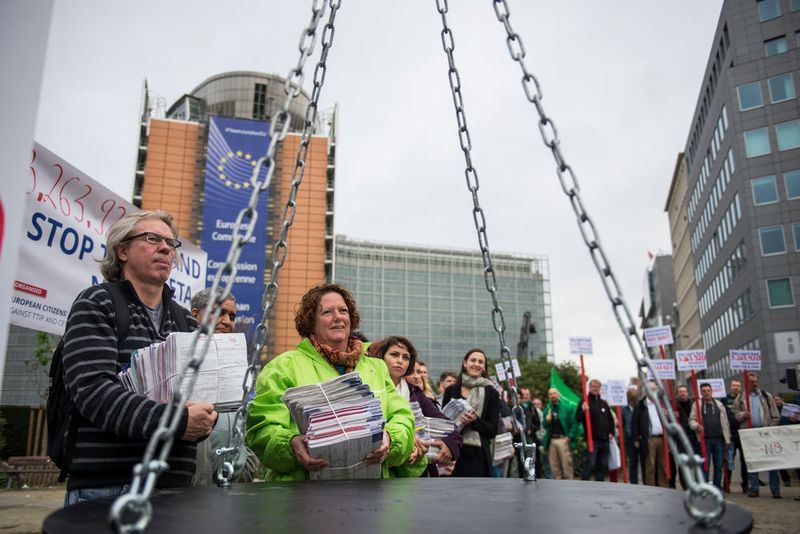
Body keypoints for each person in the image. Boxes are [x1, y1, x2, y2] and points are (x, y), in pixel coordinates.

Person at [60, 210, 217, 506]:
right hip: (108, 487)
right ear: (122, 250)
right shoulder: (97, 303)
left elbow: (204, 400)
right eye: (152, 238)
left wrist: (206, 417)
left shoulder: (187, 322)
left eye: (171, 243)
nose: (165, 248)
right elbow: (94, 392)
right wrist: (174, 420)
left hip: (176, 488)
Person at [246, 284, 414, 480]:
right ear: (311, 323)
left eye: (343, 311)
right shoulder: (283, 367)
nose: (338, 317)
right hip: (301, 499)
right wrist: (290, 444)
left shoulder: (376, 368)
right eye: (327, 312)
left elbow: (403, 418)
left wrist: (390, 438)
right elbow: (261, 430)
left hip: (370, 496)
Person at [189, 288, 261, 485]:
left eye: (231, 315)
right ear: (195, 315)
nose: (227, 321)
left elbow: (249, 423)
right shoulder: (182, 363)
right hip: (192, 493)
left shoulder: (241, 369)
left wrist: (245, 468)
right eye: (218, 312)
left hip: (233, 489)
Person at [373, 337, 463, 477]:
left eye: (406, 357)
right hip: (379, 468)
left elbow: (447, 425)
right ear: (381, 357)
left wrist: (450, 445)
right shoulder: (371, 387)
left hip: (414, 472)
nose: (400, 360)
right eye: (394, 354)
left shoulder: (415, 393)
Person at [442, 349, 499, 477]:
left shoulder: (491, 392)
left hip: (478, 456)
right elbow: (443, 423)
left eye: (480, 362)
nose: (476, 364)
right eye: (473, 360)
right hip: (453, 453)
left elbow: (492, 430)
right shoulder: (451, 390)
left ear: (484, 367)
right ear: (465, 363)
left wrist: (474, 421)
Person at [731, 372, 781, 498]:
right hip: (750, 433)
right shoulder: (740, 398)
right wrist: (743, 415)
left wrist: (769, 428)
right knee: (752, 462)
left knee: (772, 461)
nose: (755, 384)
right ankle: (754, 488)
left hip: (765, 433)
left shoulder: (765, 396)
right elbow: (736, 414)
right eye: (751, 382)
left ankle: (775, 489)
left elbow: (775, 416)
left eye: (756, 382)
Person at [690, 383, 730, 489]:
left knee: (718, 466)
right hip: (704, 440)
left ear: (712, 391)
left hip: (719, 440)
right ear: (701, 392)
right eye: (704, 391)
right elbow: (691, 420)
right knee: (705, 466)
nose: (706, 393)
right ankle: (705, 489)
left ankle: (717, 489)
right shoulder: (697, 405)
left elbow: (725, 422)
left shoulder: (719, 404)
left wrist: (727, 438)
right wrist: (696, 426)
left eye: (708, 390)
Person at [575, 379, 614, 481]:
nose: (595, 388)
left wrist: (611, 432)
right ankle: (584, 483)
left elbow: (610, 420)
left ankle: (599, 486)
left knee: (602, 464)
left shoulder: (604, 403)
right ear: (590, 387)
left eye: (597, 386)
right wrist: (583, 411)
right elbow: (577, 418)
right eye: (593, 386)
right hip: (593, 440)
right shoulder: (585, 401)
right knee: (590, 463)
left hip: (605, 440)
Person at [632, 380, 669, 487]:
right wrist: (636, 439)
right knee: (650, 465)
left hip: (662, 438)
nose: (653, 392)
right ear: (646, 391)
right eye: (651, 390)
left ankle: (663, 486)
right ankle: (650, 487)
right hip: (649, 439)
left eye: (655, 389)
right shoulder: (640, 405)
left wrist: (667, 415)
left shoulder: (662, 404)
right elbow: (634, 423)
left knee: (663, 465)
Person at [542, 388, 578, 480]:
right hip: (551, 440)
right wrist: (547, 420)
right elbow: (545, 426)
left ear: (558, 395)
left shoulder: (566, 407)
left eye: (554, 393)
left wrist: (569, 437)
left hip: (563, 439)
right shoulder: (547, 409)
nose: (553, 395)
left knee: (566, 464)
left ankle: (569, 485)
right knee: (554, 466)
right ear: (548, 396)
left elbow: (574, 423)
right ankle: (557, 486)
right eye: (550, 394)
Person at [723, 378, 745, 493]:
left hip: (743, 432)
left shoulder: (744, 400)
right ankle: (727, 486)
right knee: (728, 460)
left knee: (744, 461)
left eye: (738, 385)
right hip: (730, 433)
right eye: (734, 385)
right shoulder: (725, 400)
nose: (735, 387)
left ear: (740, 387)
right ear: (730, 387)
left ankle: (745, 485)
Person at [621, 388, 640, 484]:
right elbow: (622, 424)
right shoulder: (624, 410)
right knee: (633, 463)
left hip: (641, 438)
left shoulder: (641, 408)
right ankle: (634, 482)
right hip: (629, 439)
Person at [532, 397, 551, 479]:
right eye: (534, 404)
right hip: (534, 439)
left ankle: (548, 477)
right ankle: (536, 476)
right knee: (535, 460)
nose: (536, 406)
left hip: (543, 439)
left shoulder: (545, 413)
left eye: (538, 404)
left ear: (541, 405)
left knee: (546, 460)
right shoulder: (530, 413)